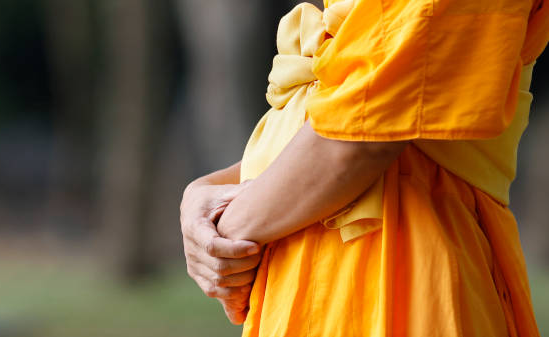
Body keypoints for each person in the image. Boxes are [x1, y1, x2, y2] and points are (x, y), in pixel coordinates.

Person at [180, 0, 549, 335]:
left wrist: (226, 230)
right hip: (304, 277)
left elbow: (361, 142)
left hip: (411, 273)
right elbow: (343, 123)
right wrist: (204, 195)